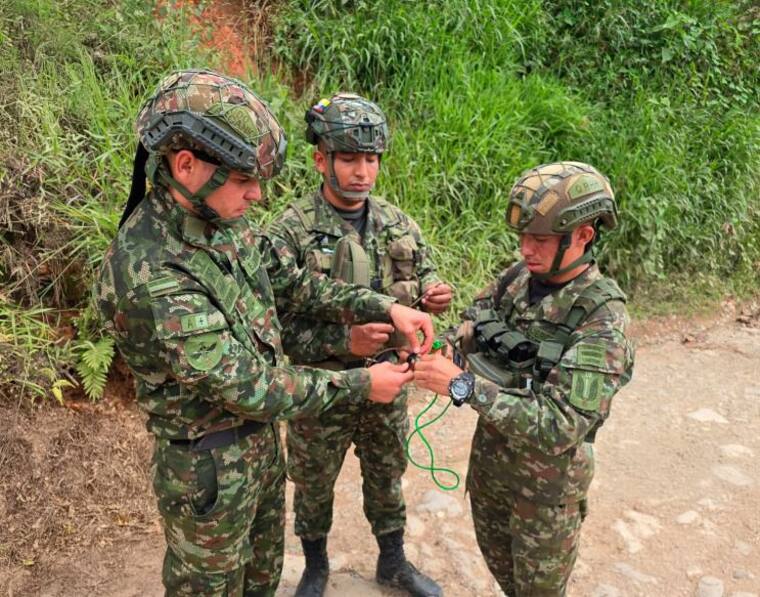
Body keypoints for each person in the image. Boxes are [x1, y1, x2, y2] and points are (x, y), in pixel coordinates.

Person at [96, 70, 435, 596]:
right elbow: (249, 385)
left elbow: (294, 283)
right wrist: (360, 384)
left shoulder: (221, 221)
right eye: (242, 179)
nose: (256, 195)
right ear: (185, 165)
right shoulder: (151, 272)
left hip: (259, 451)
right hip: (208, 473)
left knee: (262, 581)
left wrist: (386, 307)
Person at [414, 162, 635, 596]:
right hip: (491, 472)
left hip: (544, 498)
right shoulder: (518, 279)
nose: (526, 249)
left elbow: (561, 424)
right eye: (523, 237)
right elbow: (475, 323)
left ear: (583, 235)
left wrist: (462, 386)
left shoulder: (602, 319)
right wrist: (445, 346)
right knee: (505, 577)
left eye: (540, 239)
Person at [267, 93, 451, 597]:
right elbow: (274, 327)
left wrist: (435, 294)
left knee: (387, 473)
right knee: (313, 481)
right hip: (323, 387)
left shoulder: (398, 223)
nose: (362, 172)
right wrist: (342, 338)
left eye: (371, 159)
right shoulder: (290, 231)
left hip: (389, 382)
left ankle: (393, 562)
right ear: (320, 160)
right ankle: (315, 567)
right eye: (349, 158)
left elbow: (424, 277)